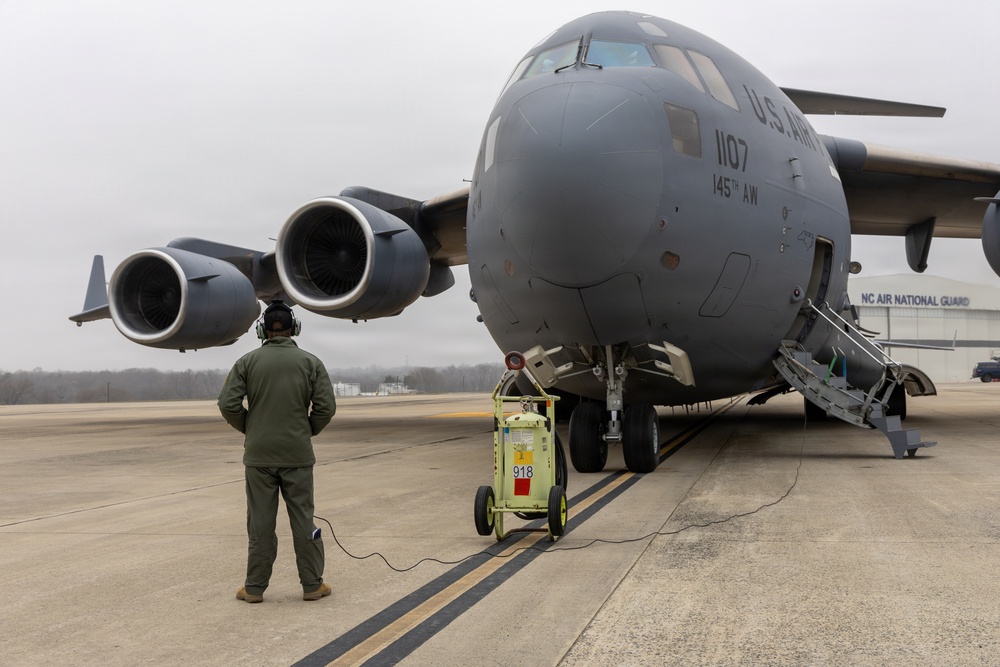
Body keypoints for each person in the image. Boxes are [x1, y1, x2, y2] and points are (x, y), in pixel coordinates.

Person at [218, 300, 336, 603]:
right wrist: (307, 430)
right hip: (297, 454)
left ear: (262, 331)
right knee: (303, 519)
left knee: (260, 523)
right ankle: (312, 584)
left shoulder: (246, 362)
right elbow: (326, 407)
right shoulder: (311, 363)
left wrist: (251, 428)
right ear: (294, 329)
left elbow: (228, 404)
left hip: (259, 457)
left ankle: (254, 588)